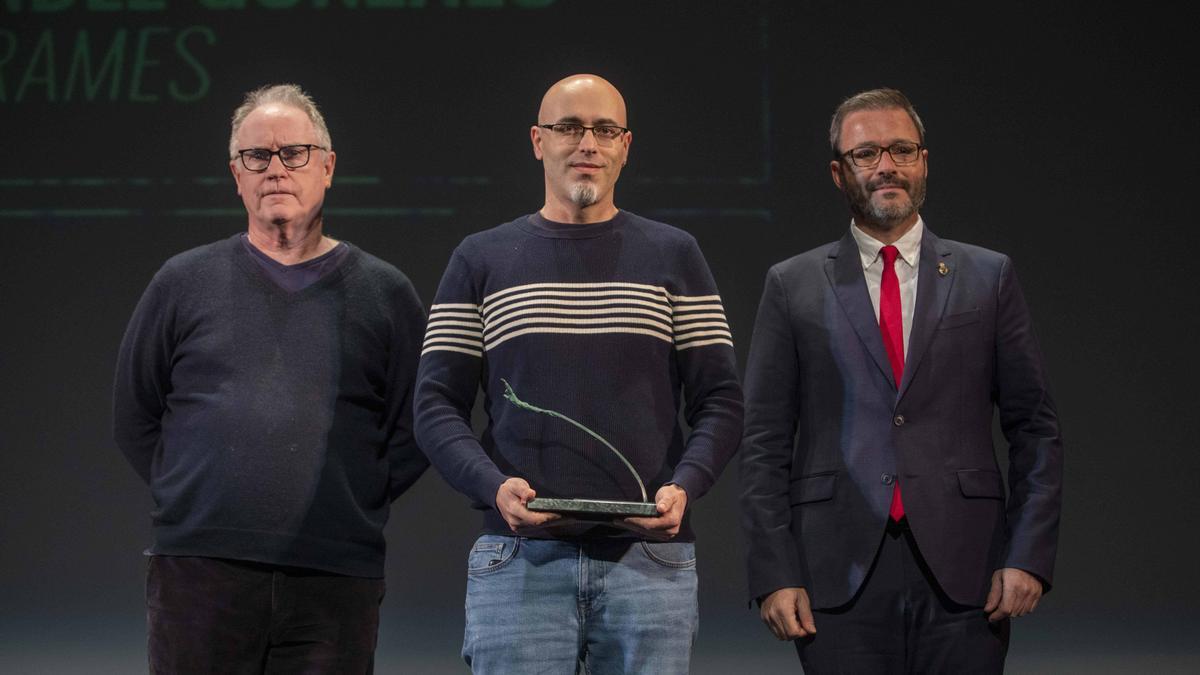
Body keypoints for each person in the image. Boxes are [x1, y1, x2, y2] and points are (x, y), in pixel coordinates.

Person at [413, 74, 743, 674]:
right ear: (538, 141)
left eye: (604, 129)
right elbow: (435, 404)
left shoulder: (675, 256)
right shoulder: (480, 259)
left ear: (625, 145)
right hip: (518, 562)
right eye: (569, 127)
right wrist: (492, 486)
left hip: (649, 563)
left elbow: (721, 398)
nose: (587, 142)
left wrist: (687, 485)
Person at [739, 88, 1063, 673]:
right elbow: (762, 443)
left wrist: (1029, 557)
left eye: (901, 149)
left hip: (968, 569)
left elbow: (1035, 429)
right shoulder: (793, 284)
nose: (886, 165)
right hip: (835, 571)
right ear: (839, 173)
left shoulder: (987, 276)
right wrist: (774, 572)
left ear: (924, 161)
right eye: (866, 154)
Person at [112, 83, 428, 674]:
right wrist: (196, 493)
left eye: (294, 153)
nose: (275, 169)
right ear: (237, 175)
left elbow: (414, 426)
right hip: (199, 573)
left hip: (334, 575)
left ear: (328, 167)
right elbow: (135, 414)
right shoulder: (182, 282)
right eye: (256, 157)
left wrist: (351, 495)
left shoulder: (384, 293)